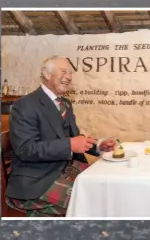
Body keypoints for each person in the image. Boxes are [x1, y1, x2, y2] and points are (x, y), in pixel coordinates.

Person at [5, 56, 116, 217]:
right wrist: (69, 145)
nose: (69, 76)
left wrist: (98, 146)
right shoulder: (25, 104)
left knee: (107, 191)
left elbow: (74, 138)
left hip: (66, 170)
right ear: (47, 74)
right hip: (38, 180)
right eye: (64, 71)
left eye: (71, 72)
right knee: (93, 205)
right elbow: (25, 149)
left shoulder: (65, 103)